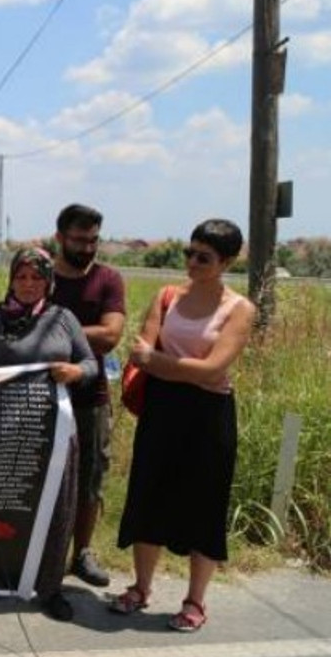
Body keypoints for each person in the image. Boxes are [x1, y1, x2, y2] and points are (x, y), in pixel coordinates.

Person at [109, 219, 255, 633]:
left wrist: (163, 364)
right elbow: (140, 353)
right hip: (162, 409)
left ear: (226, 261)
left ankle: (195, 601)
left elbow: (213, 369)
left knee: (203, 506)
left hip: (209, 417)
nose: (191, 262)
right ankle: (140, 588)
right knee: (147, 494)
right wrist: (179, 368)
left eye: (203, 257)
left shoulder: (240, 309)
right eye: (188, 253)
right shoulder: (167, 295)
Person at [0, 247, 96, 622]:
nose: (27, 285)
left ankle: (50, 587)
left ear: (48, 282)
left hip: (54, 432)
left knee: (55, 506)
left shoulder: (63, 318)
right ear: (10, 279)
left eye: (36, 277)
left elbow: (90, 363)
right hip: (4, 429)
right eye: (20, 277)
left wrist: (74, 373)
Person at [49, 204, 126, 588]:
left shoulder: (108, 279)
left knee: (90, 480)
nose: (88, 247)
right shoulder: (40, 276)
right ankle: (42, 554)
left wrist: (54, 328)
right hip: (42, 395)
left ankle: (81, 553)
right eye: (80, 240)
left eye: (94, 240)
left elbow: (112, 336)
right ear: (60, 237)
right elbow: (18, 318)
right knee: (42, 476)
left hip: (90, 397)